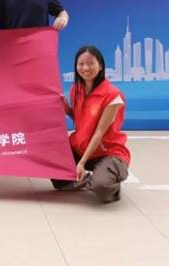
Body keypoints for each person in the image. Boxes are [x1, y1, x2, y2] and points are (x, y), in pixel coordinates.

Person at [52, 45, 131, 203]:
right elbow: (81, 119)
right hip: (81, 147)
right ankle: (91, 179)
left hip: (107, 153)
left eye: (90, 63)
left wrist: (81, 162)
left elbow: (99, 132)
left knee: (102, 188)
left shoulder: (113, 96)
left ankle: (107, 181)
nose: (85, 68)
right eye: (81, 64)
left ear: (100, 66)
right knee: (57, 176)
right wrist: (66, 109)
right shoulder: (76, 90)